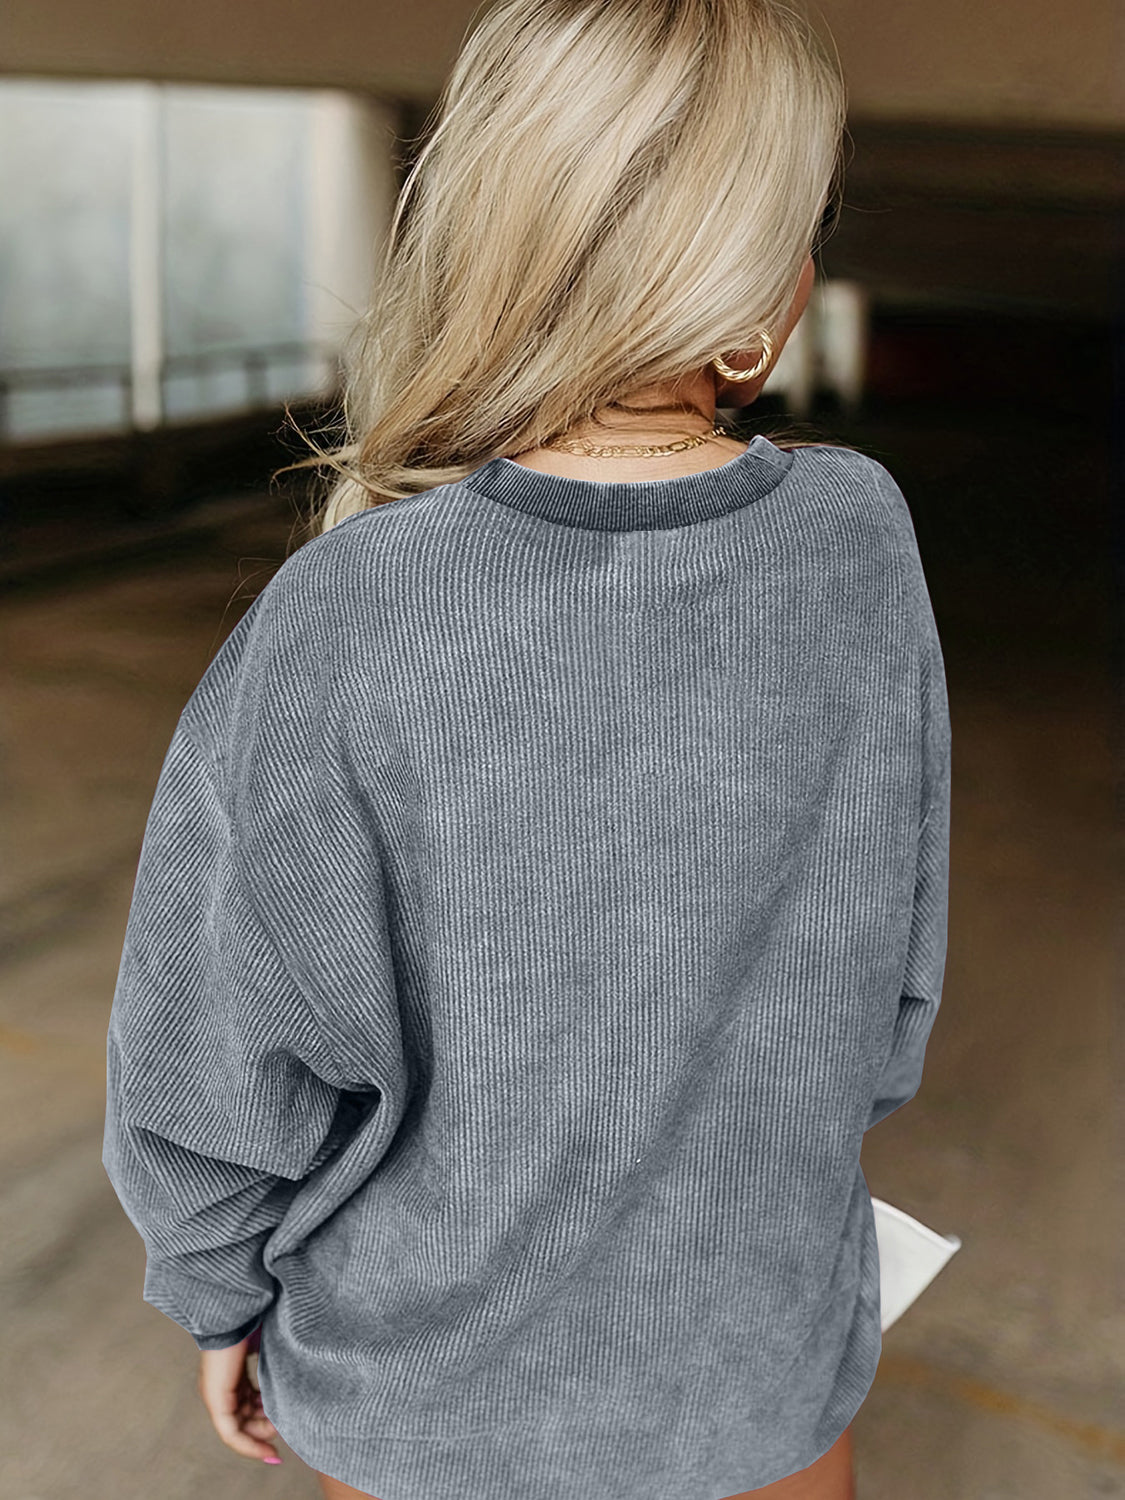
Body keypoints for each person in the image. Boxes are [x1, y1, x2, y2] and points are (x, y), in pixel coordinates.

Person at [102, 1, 952, 1498]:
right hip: (752, 1367)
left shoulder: (356, 598)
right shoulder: (856, 539)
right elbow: (884, 990)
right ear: (754, 279)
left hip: (424, 1396)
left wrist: (218, 1290)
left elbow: (217, 1049)